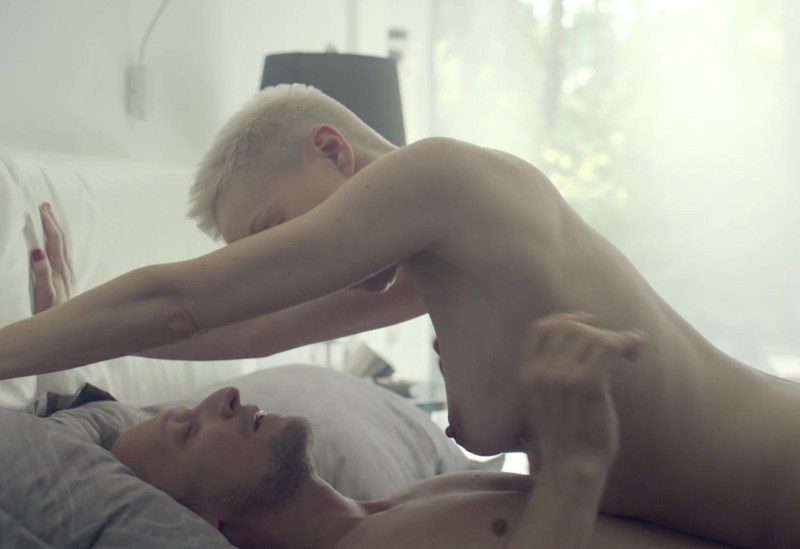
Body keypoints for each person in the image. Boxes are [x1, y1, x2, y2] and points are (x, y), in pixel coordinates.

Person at [0, 83, 797, 546]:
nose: (279, 269)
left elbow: (178, 305)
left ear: (332, 149)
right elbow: (229, 326)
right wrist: (64, 351)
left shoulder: (437, 177)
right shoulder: (436, 267)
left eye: (274, 233)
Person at [112, 318, 724, 548]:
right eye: (187, 431)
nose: (221, 396)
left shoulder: (408, 501)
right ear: (208, 523)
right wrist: (574, 465)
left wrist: (537, 424)